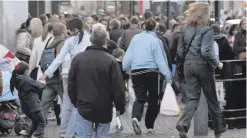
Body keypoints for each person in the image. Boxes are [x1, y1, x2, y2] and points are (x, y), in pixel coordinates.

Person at [175, 3, 227, 138]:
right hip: (204, 67)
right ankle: (218, 129)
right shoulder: (207, 30)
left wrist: (188, 60)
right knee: (212, 99)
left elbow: (180, 52)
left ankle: (183, 124)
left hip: (188, 66)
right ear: (205, 14)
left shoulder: (184, 28)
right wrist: (217, 64)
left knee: (192, 98)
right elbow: (205, 51)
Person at [68, 23, 125, 138]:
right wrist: (120, 106)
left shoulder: (78, 59)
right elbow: (118, 86)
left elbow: (71, 83)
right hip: (104, 106)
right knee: (103, 135)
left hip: (83, 104)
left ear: (91, 40)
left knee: (83, 135)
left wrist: (75, 101)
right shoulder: (111, 61)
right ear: (105, 41)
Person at [39, 18, 91, 138]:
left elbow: (59, 59)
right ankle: (71, 133)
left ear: (76, 29)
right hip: (84, 76)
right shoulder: (89, 39)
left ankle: (63, 133)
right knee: (76, 107)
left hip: (70, 75)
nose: (68, 32)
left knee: (67, 105)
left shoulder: (70, 41)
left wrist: (47, 73)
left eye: (69, 30)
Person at [123, 18, 172, 135]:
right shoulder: (156, 40)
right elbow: (160, 60)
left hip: (136, 71)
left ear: (143, 27)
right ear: (154, 28)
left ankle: (136, 117)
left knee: (139, 97)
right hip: (152, 72)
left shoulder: (135, 38)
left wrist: (125, 67)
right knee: (154, 99)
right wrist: (168, 75)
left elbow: (129, 55)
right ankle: (150, 125)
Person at [10, 62, 46, 138]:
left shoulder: (16, 79)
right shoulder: (28, 80)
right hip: (33, 106)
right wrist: (43, 82)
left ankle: (28, 134)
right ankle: (39, 136)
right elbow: (40, 87)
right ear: (26, 71)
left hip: (25, 106)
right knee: (42, 121)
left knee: (35, 122)